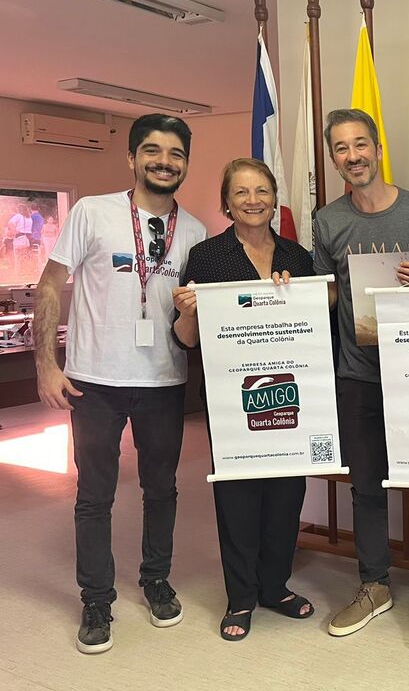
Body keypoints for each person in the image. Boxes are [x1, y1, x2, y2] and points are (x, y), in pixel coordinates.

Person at [33, 113, 207, 654]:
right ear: (131, 158)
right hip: (93, 382)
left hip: (163, 381)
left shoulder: (196, 232)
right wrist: (46, 363)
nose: (164, 161)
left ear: (185, 164)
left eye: (175, 153)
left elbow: (195, 319)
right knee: (95, 495)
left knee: (162, 490)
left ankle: (155, 579)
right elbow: (50, 285)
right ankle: (96, 599)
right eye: (152, 151)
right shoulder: (92, 213)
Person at [313, 108, 409, 654]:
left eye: (360, 145)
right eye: (341, 149)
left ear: (378, 148)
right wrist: (293, 291)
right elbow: (329, 294)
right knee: (366, 487)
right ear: (333, 158)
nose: (352, 157)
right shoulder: (327, 222)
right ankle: (375, 585)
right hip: (358, 374)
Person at [171, 158, 315, 641]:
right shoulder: (208, 257)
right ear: (226, 203)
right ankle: (241, 597)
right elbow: (187, 340)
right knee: (237, 496)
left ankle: (274, 587)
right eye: (241, 193)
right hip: (234, 399)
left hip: (291, 391)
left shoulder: (298, 256)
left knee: (286, 494)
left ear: (275, 199)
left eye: (262, 191)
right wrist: (187, 312)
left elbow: (317, 326)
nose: (253, 201)